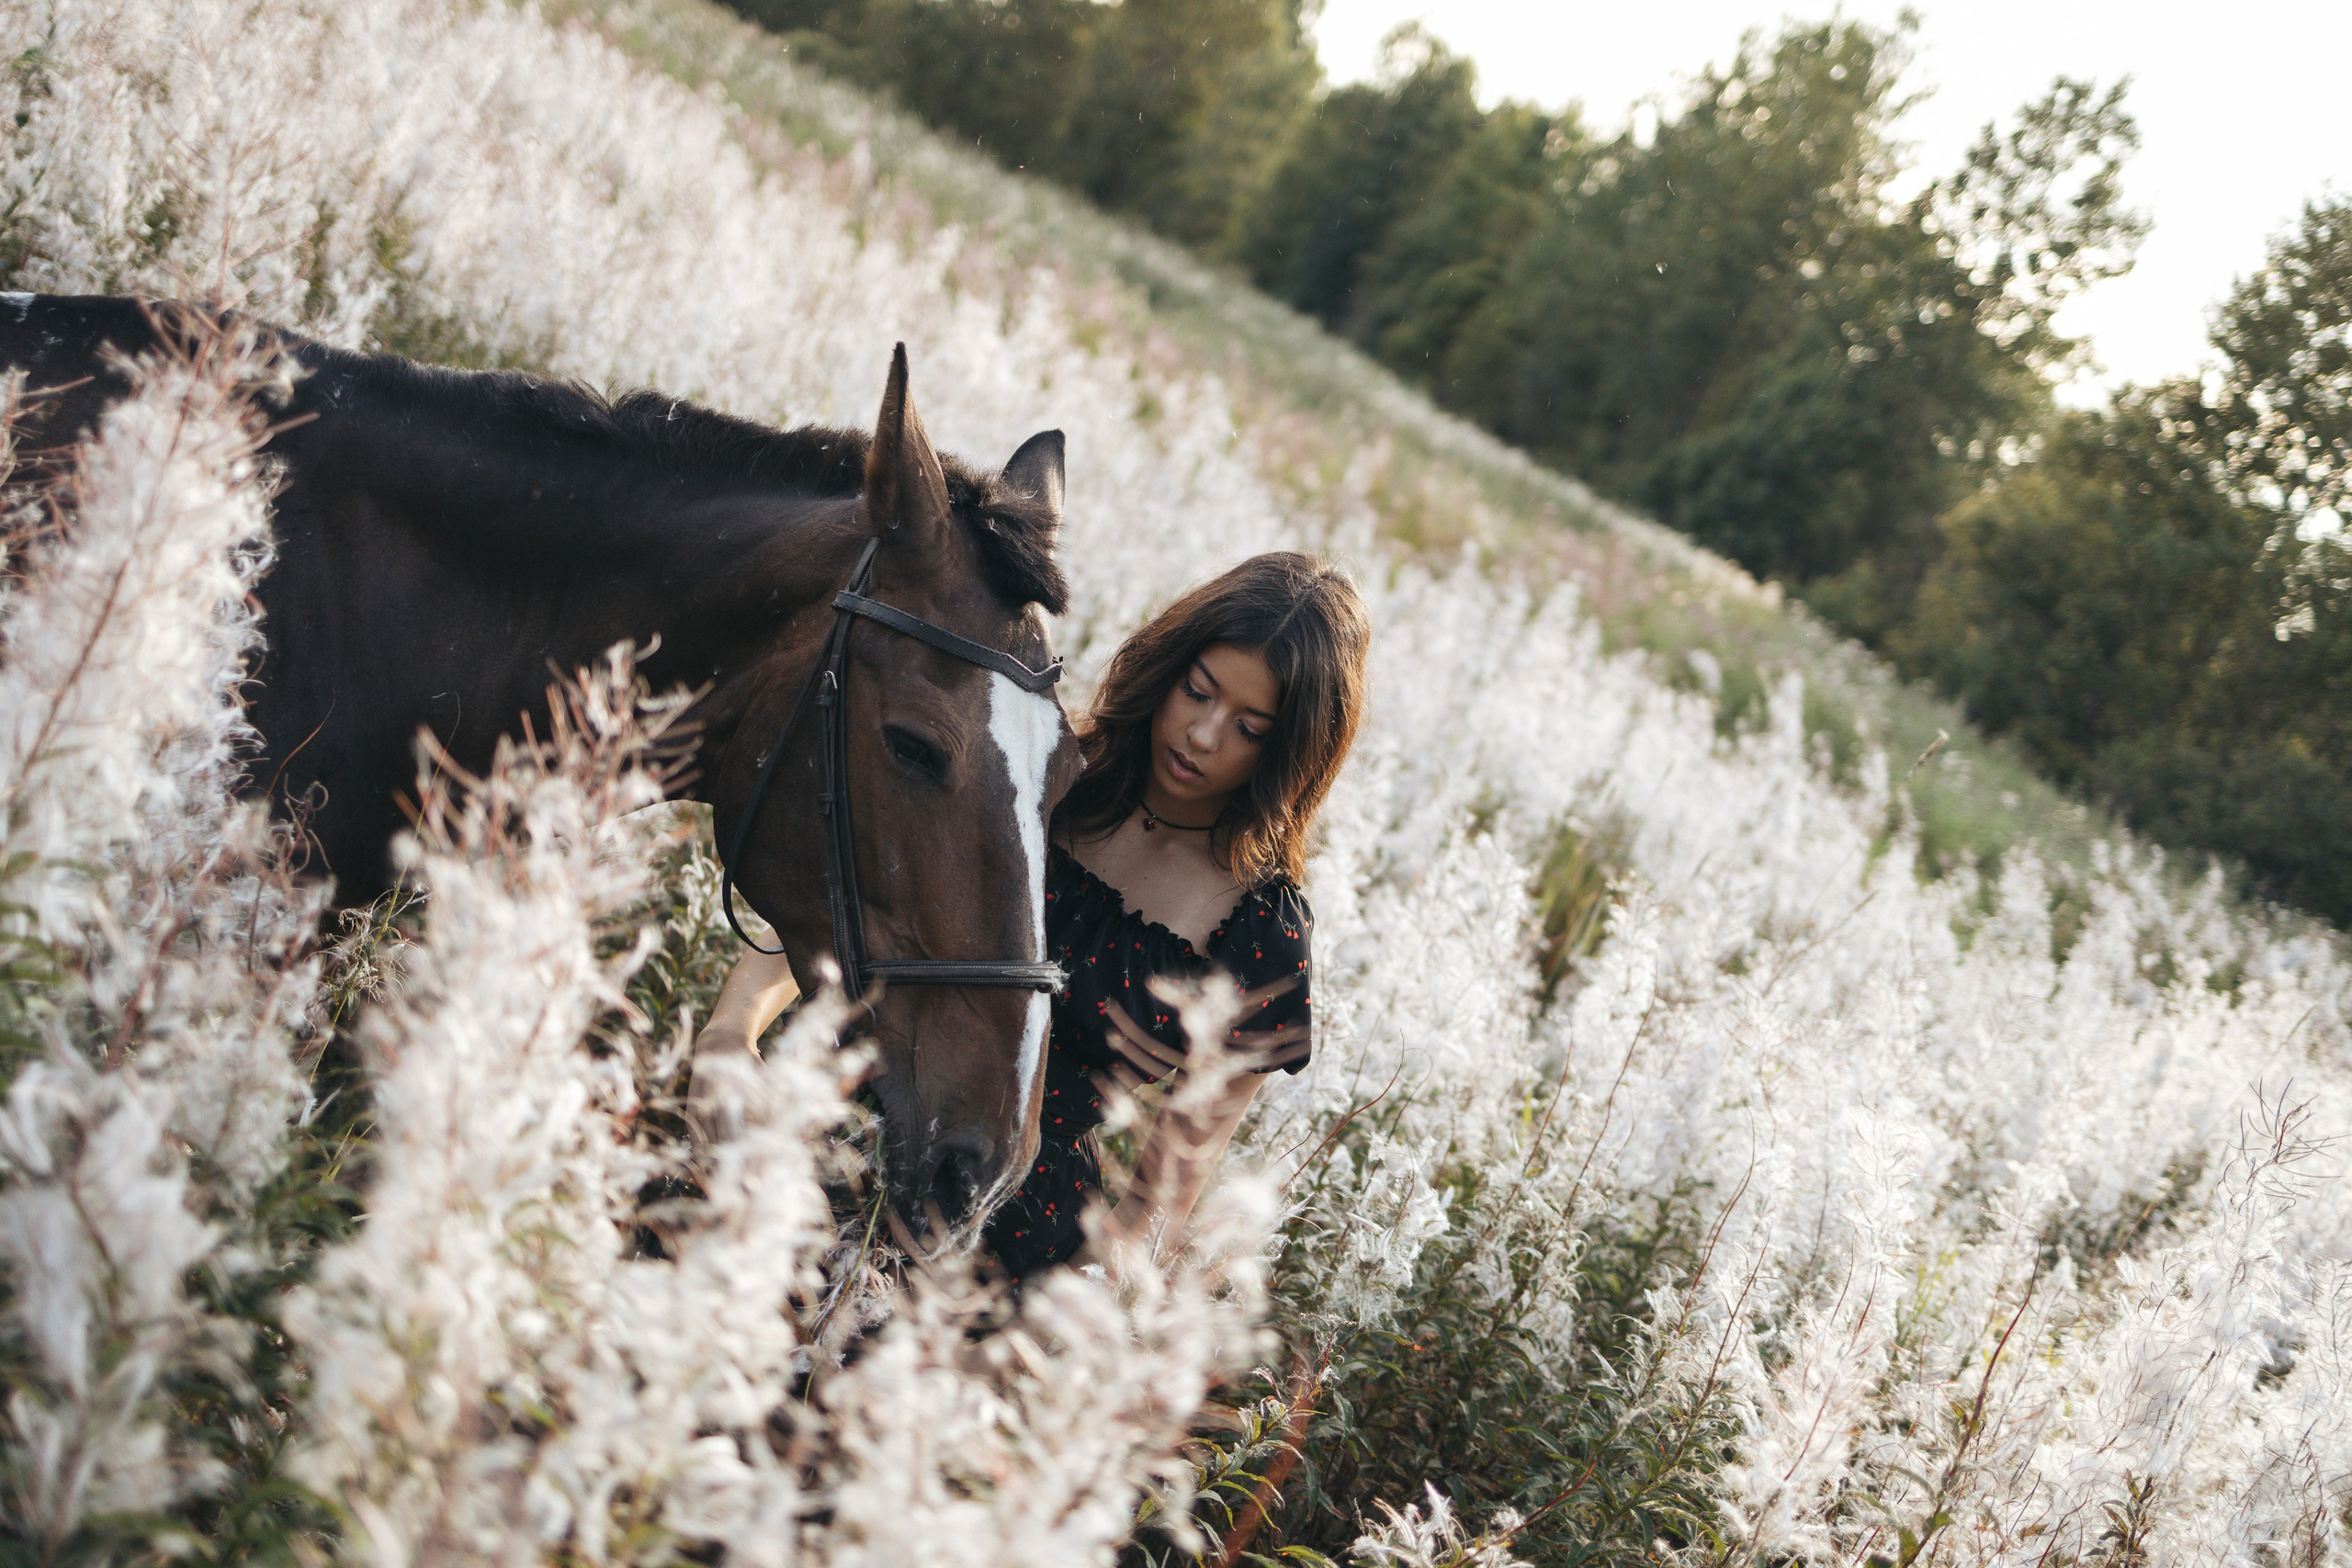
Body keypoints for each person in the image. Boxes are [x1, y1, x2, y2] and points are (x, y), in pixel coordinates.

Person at [692, 551, 1371, 1277]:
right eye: (1198, 691)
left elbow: (1155, 1205)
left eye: (1251, 727)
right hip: (813, 1124)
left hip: (990, 1245)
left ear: (1292, 752)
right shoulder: (1035, 770)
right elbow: (837, 913)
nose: (1203, 734)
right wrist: (731, 1030)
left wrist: (1036, 1338)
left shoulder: (1258, 933)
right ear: (1168, 667)